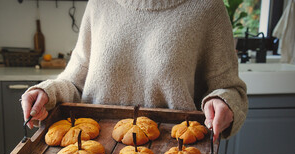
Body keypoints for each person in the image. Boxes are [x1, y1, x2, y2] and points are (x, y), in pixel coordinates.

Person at [21, 0, 248, 141]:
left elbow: (229, 88)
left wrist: (223, 101)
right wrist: (47, 92)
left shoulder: (208, 7)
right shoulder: (99, 4)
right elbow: (74, 83)